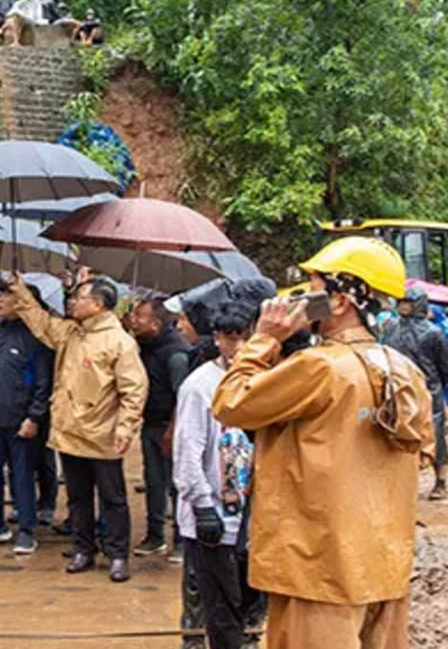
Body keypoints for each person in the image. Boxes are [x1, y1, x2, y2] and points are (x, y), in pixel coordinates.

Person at [212, 237, 435, 649]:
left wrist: (264, 339)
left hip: (319, 570)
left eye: (313, 288)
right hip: (385, 568)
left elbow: (230, 403)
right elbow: (422, 451)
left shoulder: (318, 368)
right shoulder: (406, 371)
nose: (302, 299)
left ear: (340, 301)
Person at [9, 277, 147, 582]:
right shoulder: (71, 332)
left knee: (113, 498)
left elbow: (133, 390)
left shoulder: (119, 341)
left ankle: (117, 554)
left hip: (104, 432)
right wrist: (19, 291)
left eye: (79, 297)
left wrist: (125, 427)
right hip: (70, 430)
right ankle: (83, 549)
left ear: (97, 304)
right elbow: (41, 323)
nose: (71, 302)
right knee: (77, 496)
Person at [174, 301, 266, 649]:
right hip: (212, 514)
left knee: (251, 602)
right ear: (216, 339)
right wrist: (201, 505)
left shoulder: (264, 380)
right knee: (220, 608)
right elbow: (187, 452)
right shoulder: (199, 386)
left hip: (251, 512)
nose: (238, 347)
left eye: (245, 337)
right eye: (229, 338)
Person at [0, 286, 54, 553]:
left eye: (6, 296)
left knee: (22, 475)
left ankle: (27, 529)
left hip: (21, 422)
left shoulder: (36, 338)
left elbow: (43, 382)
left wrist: (35, 416)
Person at [128, 298, 192, 560]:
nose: (134, 321)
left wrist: (172, 432)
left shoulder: (176, 354)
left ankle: (181, 539)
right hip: (151, 422)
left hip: (170, 426)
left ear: (155, 323)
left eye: (139, 316)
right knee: (153, 482)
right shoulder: (144, 346)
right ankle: (155, 535)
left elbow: (183, 397)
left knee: (177, 484)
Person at [382, 286, 448, 500]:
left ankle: (441, 480)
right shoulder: (391, 328)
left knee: (435, 437)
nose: (403, 306)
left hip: (429, 390)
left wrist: (438, 389)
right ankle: (400, 481)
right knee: (398, 433)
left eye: (407, 302)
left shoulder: (433, 332)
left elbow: (443, 365)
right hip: (400, 388)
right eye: (401, 301)